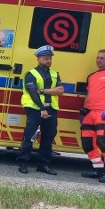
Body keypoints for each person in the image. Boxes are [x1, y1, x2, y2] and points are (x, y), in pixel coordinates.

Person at [17, 45, 64, 175]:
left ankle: (43, 165)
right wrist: (42, 108)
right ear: (38, 59)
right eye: (45, 58)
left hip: (52, 109)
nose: (48, 60)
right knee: (30, 137)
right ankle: (23, 163)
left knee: (48, 138)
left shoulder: (55, 74)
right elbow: (33, 93)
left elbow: (60, 90)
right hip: (35, 109)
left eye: (49, 58)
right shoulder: (31, 74)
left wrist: (42, 90)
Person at [80, 49, 105, 183]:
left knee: (104, 143)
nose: (99, 60)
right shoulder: (91, 76)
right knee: (87, 144)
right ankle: (98, 170)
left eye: (102, 58)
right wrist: (84, 110)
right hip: (90, 113)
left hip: (104, 113)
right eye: (97, 57)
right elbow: (89, 94)